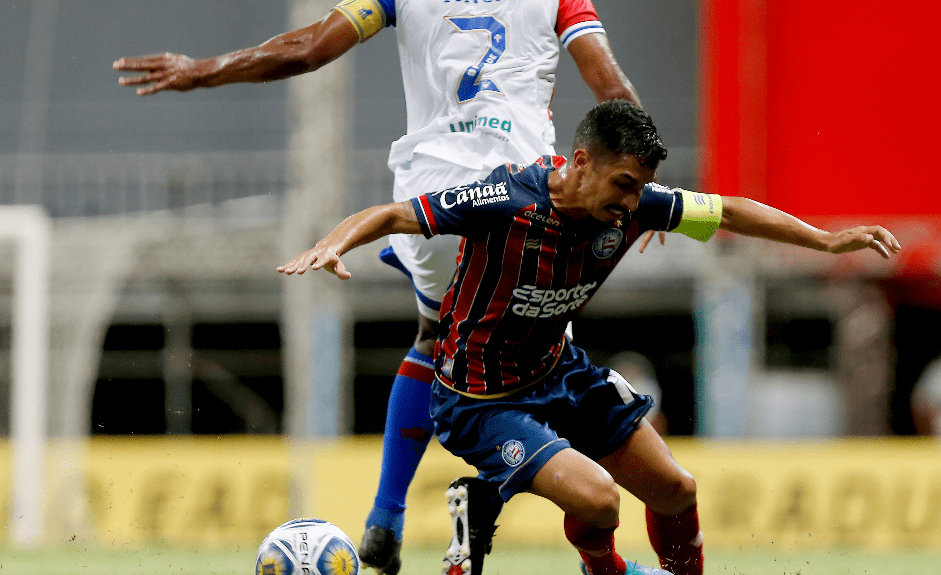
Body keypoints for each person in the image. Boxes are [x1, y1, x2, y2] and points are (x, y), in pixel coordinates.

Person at [113, 0, 648, 574]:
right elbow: (611, 91)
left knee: (435, 336)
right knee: (532, 367)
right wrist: (638, 183)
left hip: (429, 198)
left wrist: (203, 69)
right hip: (523, 202)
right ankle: (505, 520)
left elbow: (307, 49)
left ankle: (386, 518)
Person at [278, 101, 901, 575]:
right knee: (602, 503)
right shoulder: (506, 199)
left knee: (678, 491)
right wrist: (332, 243)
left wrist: (824, 240)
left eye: (640, 187)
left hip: (562, 375)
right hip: (479, 402)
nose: (633, 204)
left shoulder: (637, 205)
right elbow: (394, 215)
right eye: (623, 185)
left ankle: (488, 505)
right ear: (581, 164)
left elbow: (732, 210)